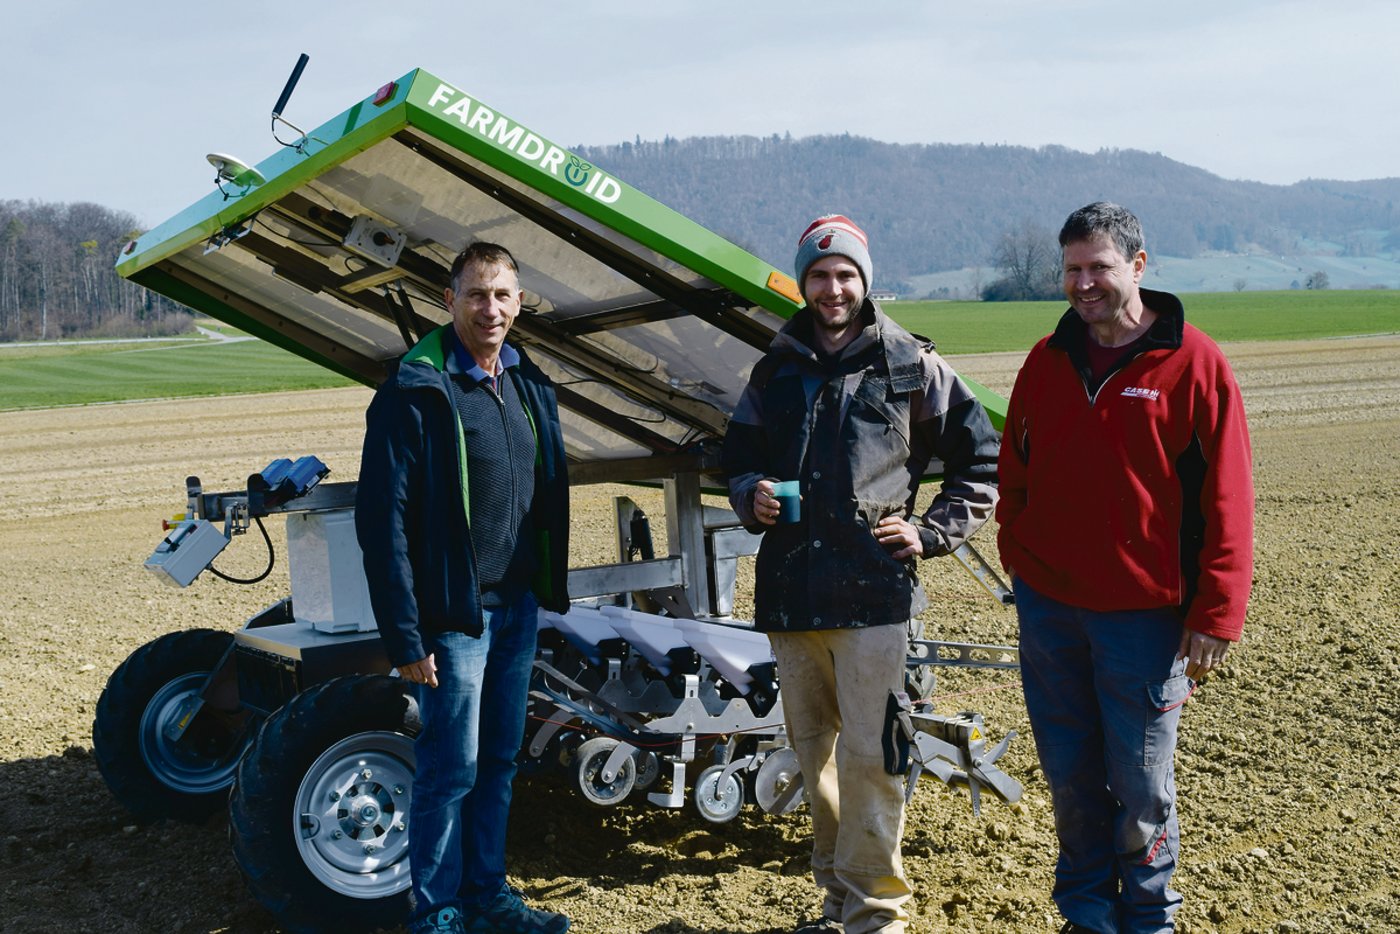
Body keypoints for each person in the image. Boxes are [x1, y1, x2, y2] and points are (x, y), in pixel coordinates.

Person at [723, 215, 1000, 934]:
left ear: (864, 281)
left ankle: (878, 913)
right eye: (819, 275)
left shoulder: (911, 364)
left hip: (875, 596)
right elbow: (736, 460)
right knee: (814, 755)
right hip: (792, 596)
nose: (833, 288)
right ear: (803, 284)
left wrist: (930, 531)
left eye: (845, 274)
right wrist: (750, 492)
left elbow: (982, 459)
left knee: (872, 757)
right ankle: (839, 902)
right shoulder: (774, 370)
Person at [997, 202, 1254, 934]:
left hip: (1144, 619)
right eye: (1072, 269)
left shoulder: (1193, 362)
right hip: (1051, 611)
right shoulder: (1047, 360)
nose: (1083, 284)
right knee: (1071, 777)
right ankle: (1087, 917)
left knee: (1140, 785)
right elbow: (1014, 470)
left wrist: (1216, 614)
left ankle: (1148, 919)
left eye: (1099, 267)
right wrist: (1022, 556)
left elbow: (1229, 497)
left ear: (1138, 266)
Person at [355, 242, 572, 934]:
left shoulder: (528, 386)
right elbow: (381, 521)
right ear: (449, 301)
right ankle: (438, 910)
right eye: (476, 294)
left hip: (516, 610)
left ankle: (487, 897)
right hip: (454, 616)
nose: (490, 308)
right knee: (451, 767)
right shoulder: (415, 392)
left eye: (503, 294)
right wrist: (405, 635)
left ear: (520, 303)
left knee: (499, 761)